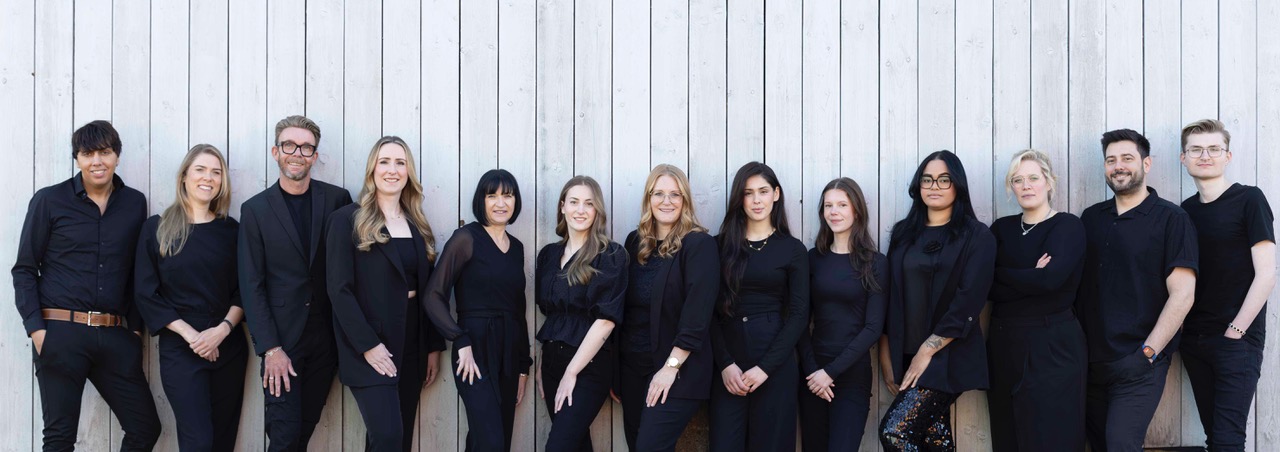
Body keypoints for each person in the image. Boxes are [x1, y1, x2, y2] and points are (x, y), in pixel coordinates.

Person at [12, 120, 161, 451]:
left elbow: (136, 272)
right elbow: (24, 269)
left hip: (115, 335)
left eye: (104, 152)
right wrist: (37, 331)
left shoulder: (134, 203)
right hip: (61, 333)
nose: (97, 161)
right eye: (88, 153)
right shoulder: (49, 200)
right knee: (60, 438)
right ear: (77, 158)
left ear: (117, 156)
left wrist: (135, 332)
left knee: (145, 428)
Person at [1077, 129, 1197, 452]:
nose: (1118, 166)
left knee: (1121, 444)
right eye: (1111, 160)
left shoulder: (1172, 219)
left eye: (1127, 158)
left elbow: (1183, 294)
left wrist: (1148, 352)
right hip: (1090, 364)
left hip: (1138, 362)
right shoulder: (1091, 218)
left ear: (1146, 163)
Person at [240, 115, 353, 451]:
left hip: (328, 339)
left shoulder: (338, 200)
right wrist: (271, 349)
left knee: (302, 433)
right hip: (282, 342)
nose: (297, 154)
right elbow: (251, 284)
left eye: (305, 148)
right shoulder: (255, 210)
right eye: (289, 145)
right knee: (284, 436)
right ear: (276, 151)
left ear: (314, 156)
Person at [326, 136, 446, 451]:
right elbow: (339, 290)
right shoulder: (346, 220)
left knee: (398, 440)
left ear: (409, 172)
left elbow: (429, 291)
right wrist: (368, 345)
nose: (392, 170)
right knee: (388, 436)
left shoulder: (417, 224)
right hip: (370, 342)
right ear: (372, 170)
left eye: (400, 163)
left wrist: (432, 346)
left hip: (412, 342)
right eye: (384, 162)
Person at [877, 150, 995, 451]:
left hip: (947, 355)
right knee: (935, 441)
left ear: (957, 185)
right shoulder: (904, 234)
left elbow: (969, 300)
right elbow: (891, 297)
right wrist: (887, 356)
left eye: (944, 179)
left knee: (896, 433)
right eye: (927, 179)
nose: (934, 186)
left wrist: (926, 351)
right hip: (906, 353)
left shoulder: (976, 236)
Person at [134, 144, 247, 451]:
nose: (208, 178)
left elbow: (245, 290)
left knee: (222, 441)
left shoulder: (232, 230)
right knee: (198, 442)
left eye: (216, 172)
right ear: (184, 176)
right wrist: (194, 337)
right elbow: (145, 292)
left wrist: (221, 331)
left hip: (228, 345)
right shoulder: (157, 228)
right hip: (181, 347)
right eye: (200, 169)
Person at [1178, 119, 1275, 452]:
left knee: (1227, 440)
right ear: (1183, 158)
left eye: (1214, 149)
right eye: (1196, 150)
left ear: (1227, 156)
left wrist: (1236, 330)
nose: (1205, 156)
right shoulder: (1185, 211)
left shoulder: (1249, 199)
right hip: (1194, 340)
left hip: (1237, 341)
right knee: (1215, 437)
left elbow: (1267, 273)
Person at [985, 150, 1087, 452]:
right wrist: (1031, 275)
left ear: (1049, 182)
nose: (1026, 185)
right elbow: (985, 286)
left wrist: (1005, 274)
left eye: (1033, 178)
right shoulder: (1000, 229)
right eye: (1018, 180)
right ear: (1011, 186)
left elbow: (1051, 281)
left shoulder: (1067, 226)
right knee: (1008, 437)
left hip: (1053, 343)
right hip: (1004, 344)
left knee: (1052, 437)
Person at [424, 169, 531, 452]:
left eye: (508, 195)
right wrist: (460, 339)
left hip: (509, 352)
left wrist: (523, 367)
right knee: (490, 441)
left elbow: (518, 310)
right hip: (473, 351)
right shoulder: (466, 238)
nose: (501, 203)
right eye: (492, 195)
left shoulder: (517, 248)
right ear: (481, 201)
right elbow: (433, 296)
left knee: (496, 441)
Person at [617, 164, 720, 452]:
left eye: (675, 194)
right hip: (633, 370)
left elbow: (697, 315)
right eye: (658, 193)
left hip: (678, 370)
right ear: (648, 198)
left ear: (685, 200)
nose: (667, 201)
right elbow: (625, 310)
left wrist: (670, 368)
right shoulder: (635, 242)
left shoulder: (699, 245)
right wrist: (617, 372)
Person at [710, 161, 810, 452]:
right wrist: (725, 365)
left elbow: (799, 315)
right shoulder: (717, 246)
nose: (756, 200)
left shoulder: (793, 249)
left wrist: (765, 368)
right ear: (739, 198)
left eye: (763, 191)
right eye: (748, 192)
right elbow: (707, 312)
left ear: (775, 194)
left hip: (774, 363)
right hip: (729, 364)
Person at [534, 176, 628, 451]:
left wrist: (571, 372)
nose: (581, 210)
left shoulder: (610, 255)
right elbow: (552, 316)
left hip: (588, 366)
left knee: (559, 446)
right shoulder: (549, 255)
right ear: (562, 206)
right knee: (575, 445)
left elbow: (605, 321)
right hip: (552, 363)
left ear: (597, 210)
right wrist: (543, 362)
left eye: (589, 203)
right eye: (574, 202)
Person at [797, 177, 888, 452]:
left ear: (856, 210)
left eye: (842, 205)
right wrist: (813, 371)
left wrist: (831, 372)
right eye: (828, 206)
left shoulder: (875, 263)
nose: (833, 212)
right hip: (813, 375)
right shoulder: (812, 259)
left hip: (851, 376)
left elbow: (873, 328)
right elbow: (799, 320)